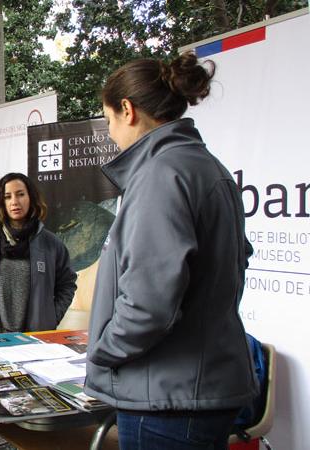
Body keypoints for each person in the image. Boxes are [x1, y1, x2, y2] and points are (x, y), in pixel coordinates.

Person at [85, 53, 257, 450]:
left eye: (108, 120)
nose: (110, 133)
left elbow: (149, 302)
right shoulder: (206, 167)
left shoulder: (161, 175)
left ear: (127, 110)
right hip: (194, 388)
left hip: (167, 400)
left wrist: (103, 350)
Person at [0, 173, 77, 335]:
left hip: (34, 341)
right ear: (1, 201)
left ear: (31, 197)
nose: (14, 202)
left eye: (20, 194)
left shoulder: (50, 243)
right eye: (7, 197)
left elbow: (67, 283)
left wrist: (51, 317)